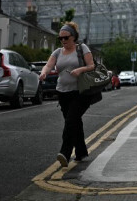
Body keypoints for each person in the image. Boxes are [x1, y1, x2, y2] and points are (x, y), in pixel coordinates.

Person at [39, 22, 95, 167]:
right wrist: (44, 72)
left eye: (66, 38)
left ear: (74, 37)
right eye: (60, 38)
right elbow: (49, 65)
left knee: (71, 121)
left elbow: (91, 66)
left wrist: (81, 69)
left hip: (80, 92)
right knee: (74, 122)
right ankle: (81, 151)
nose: (63, 41)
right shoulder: (57, 52)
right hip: (63, 92)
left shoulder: (82, 48)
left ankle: (65, 152)